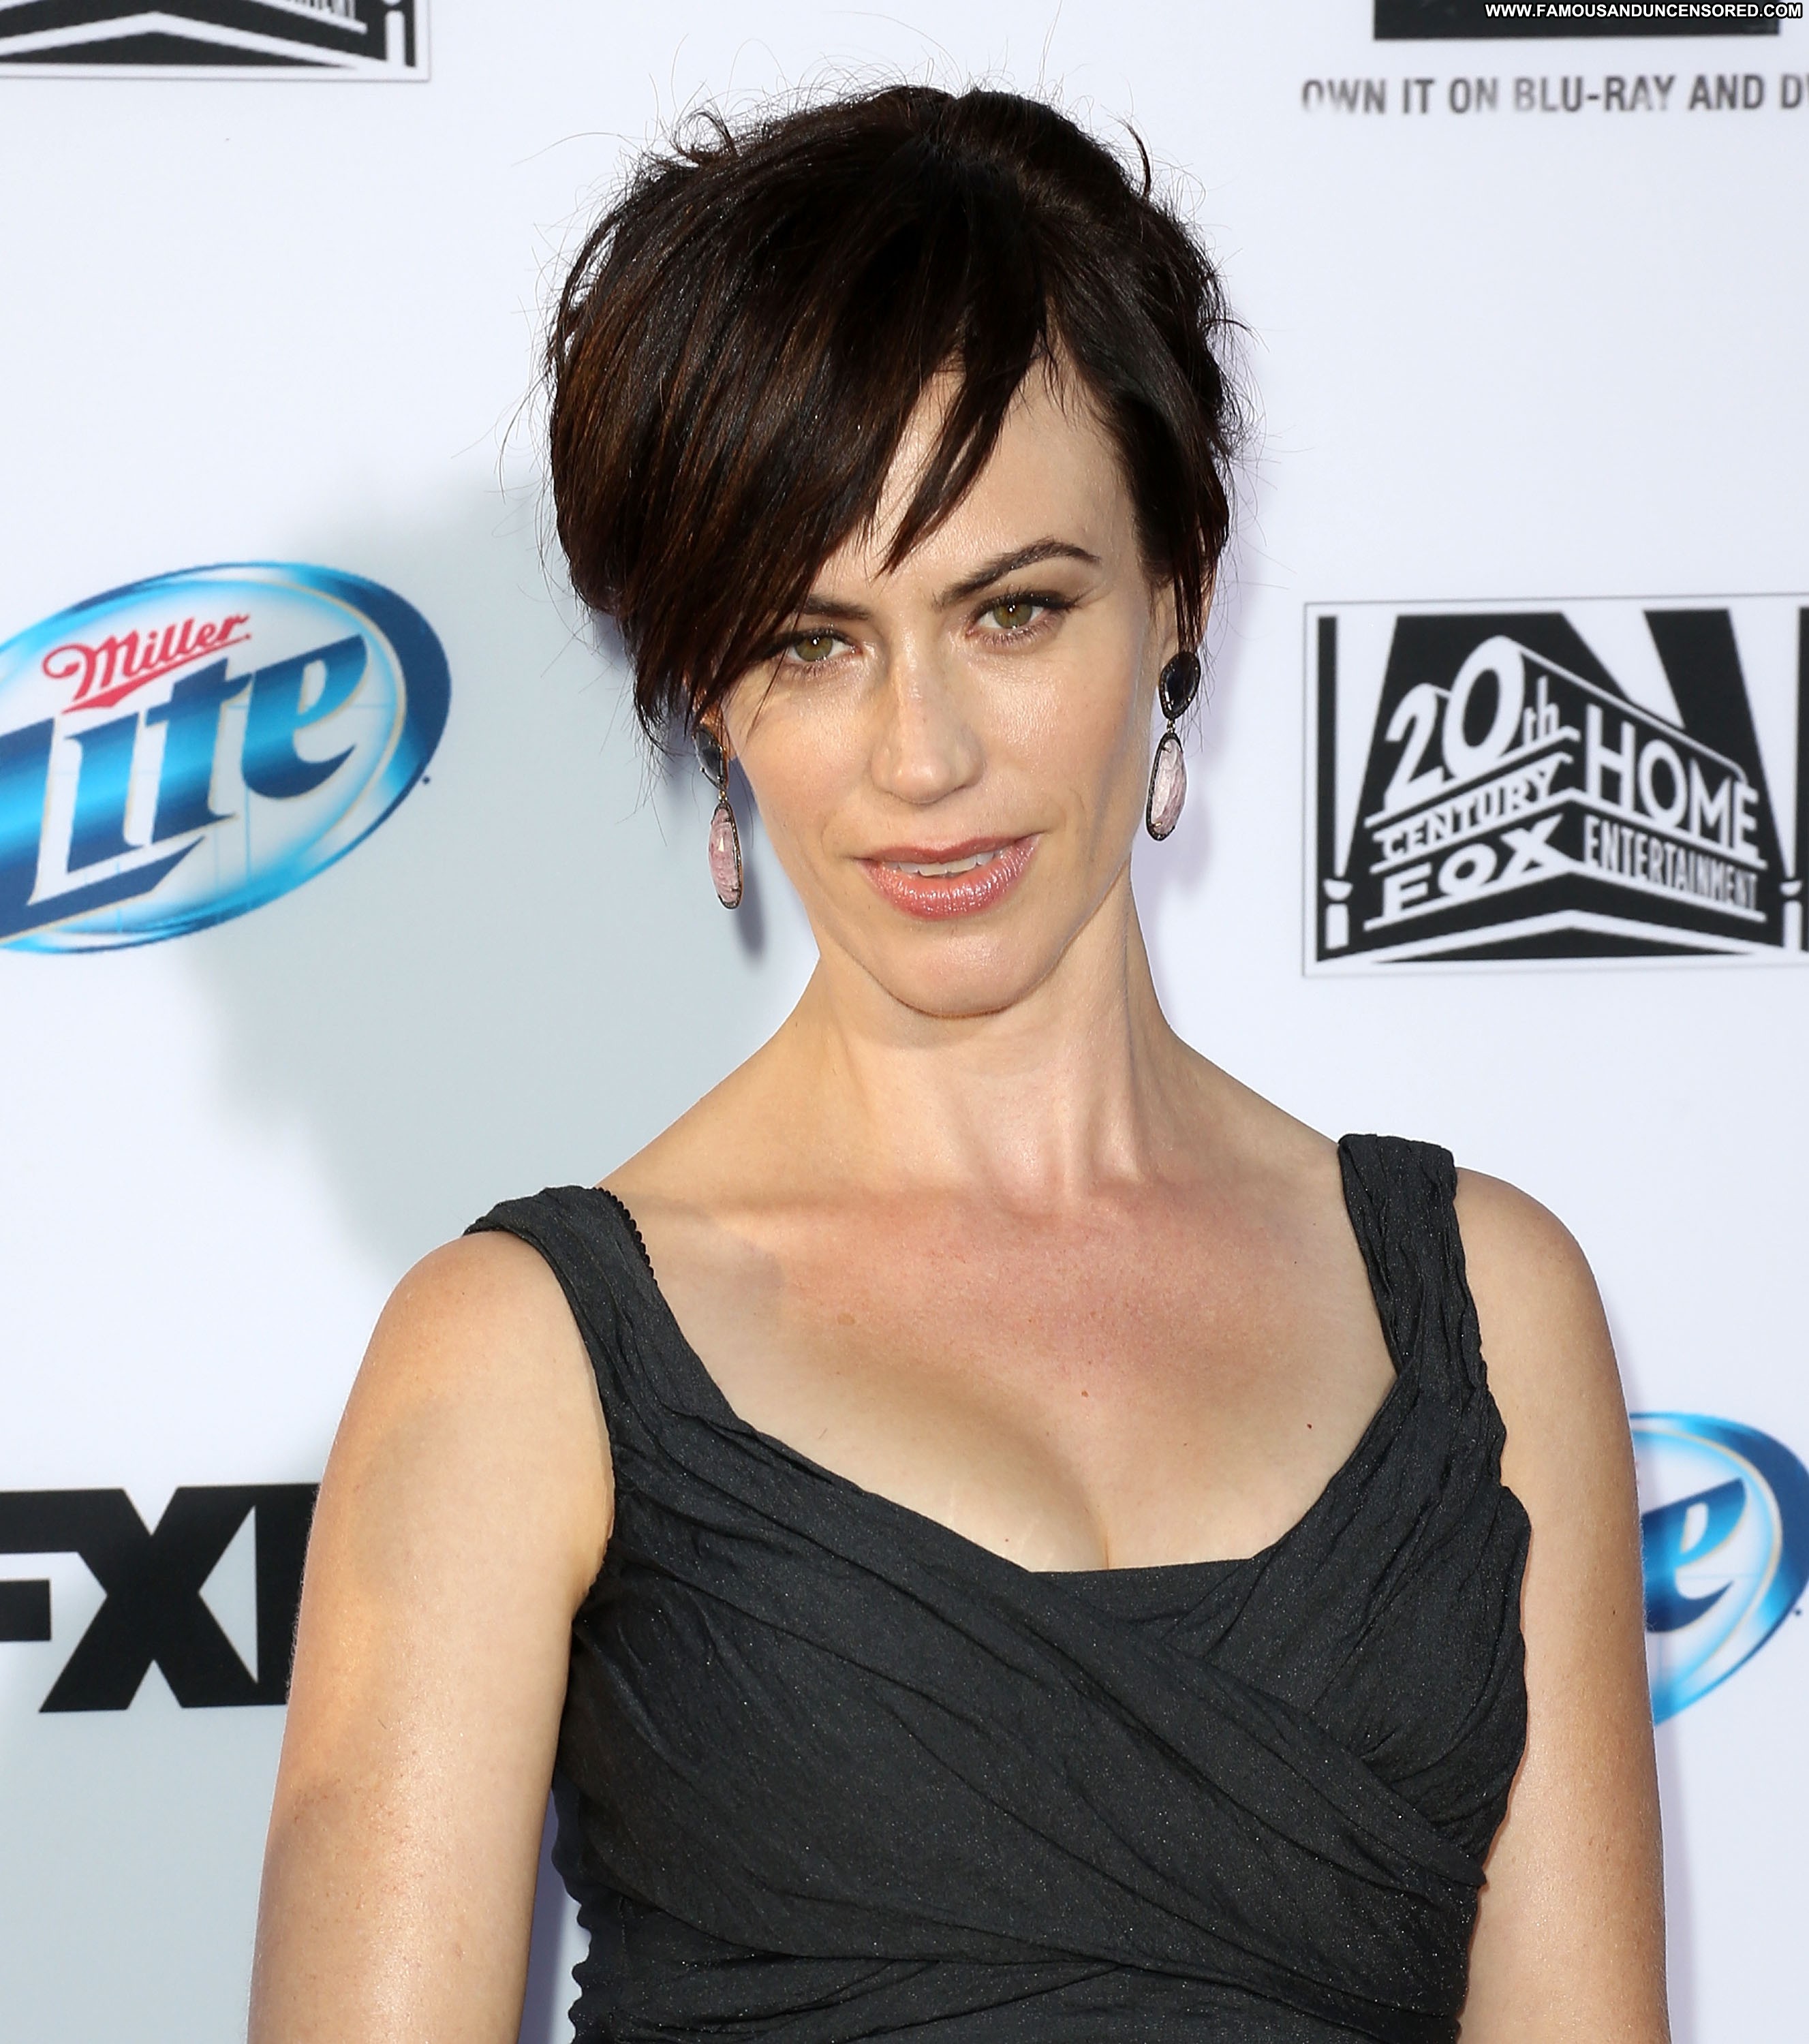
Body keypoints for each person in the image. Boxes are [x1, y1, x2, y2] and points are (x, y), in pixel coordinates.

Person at [249, 85, 1667, 2044]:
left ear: (1178, 590)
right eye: (812, 641)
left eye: (1013, 611)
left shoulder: (1489, 1309)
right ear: (706, 686)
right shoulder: (518, 1359)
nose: (923, 756)